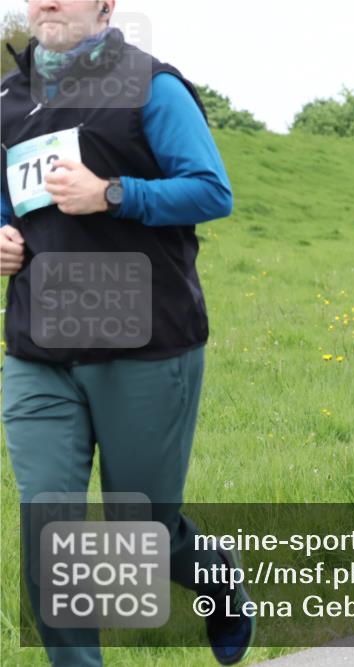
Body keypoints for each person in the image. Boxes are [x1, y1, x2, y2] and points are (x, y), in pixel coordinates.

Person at [1, 1, 253, 664]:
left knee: (139, 530)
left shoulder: (153, 85)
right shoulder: (8, 95)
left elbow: (211, 190)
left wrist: (113, 194)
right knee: (50, 531)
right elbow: (7, 204)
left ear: (107, 5)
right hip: (38, 350)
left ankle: (217, 581)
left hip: (144, 343)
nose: (48, 1)